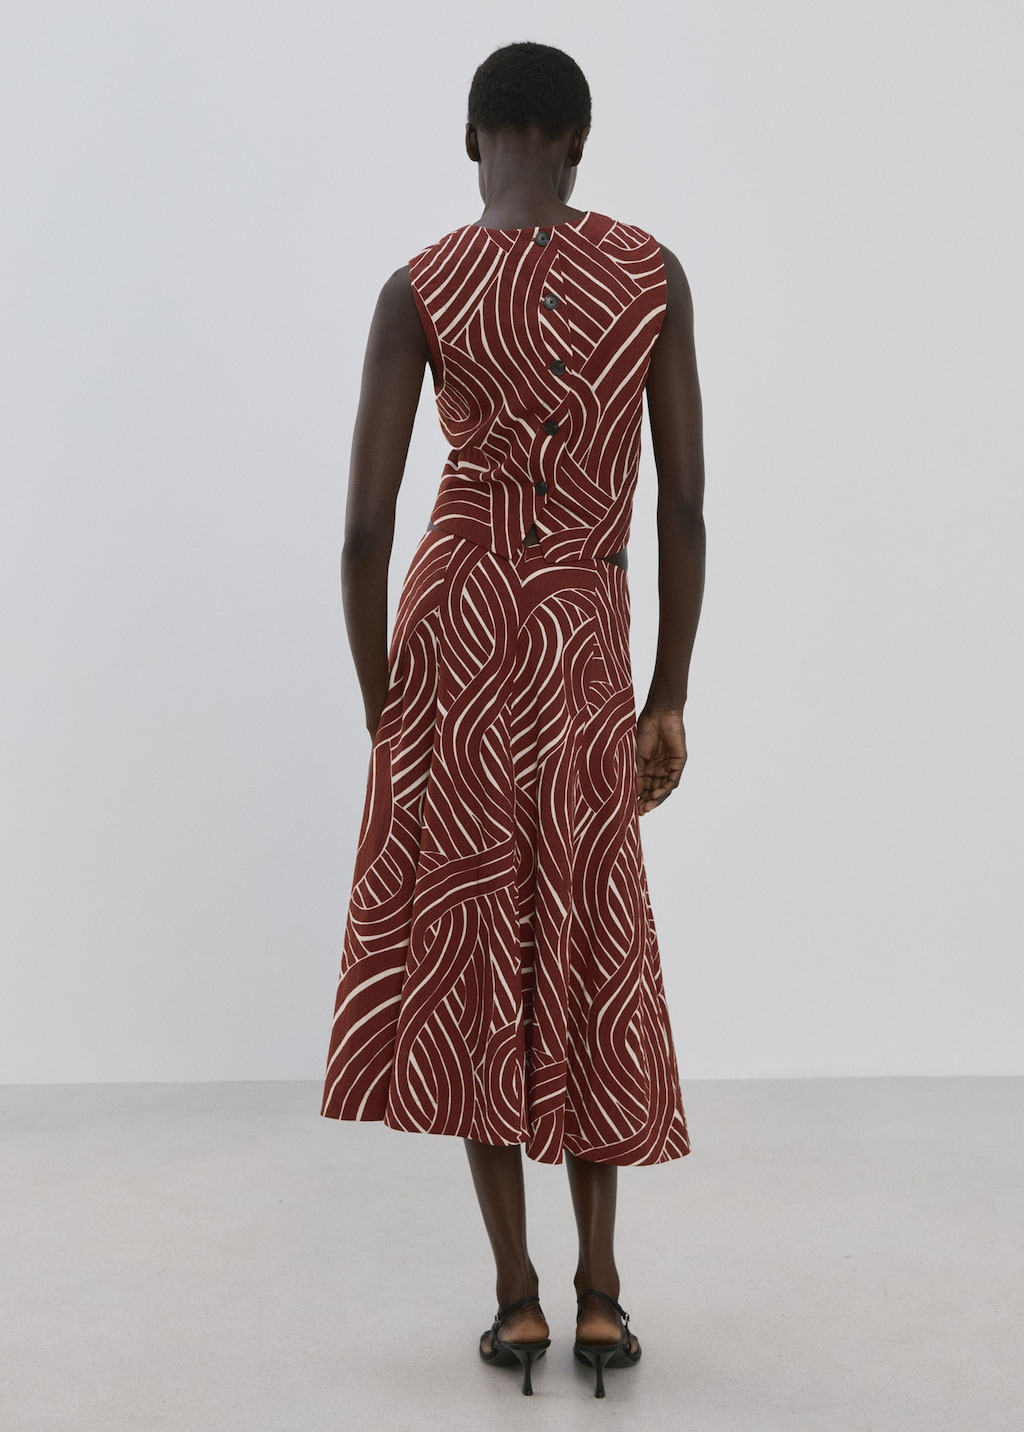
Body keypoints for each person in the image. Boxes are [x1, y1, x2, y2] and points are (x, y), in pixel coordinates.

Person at [320, 41, 706, 1398]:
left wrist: (386, 710)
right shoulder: (649, 276)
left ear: (471, 139)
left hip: (456, 637)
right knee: (593, 937)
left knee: (475, 948)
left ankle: (518, 1302)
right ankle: (603, 1296)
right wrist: (667, 693)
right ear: (579, 145)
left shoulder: (420, 286)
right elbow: (683, 505)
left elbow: (364, 532)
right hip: (581, 631)